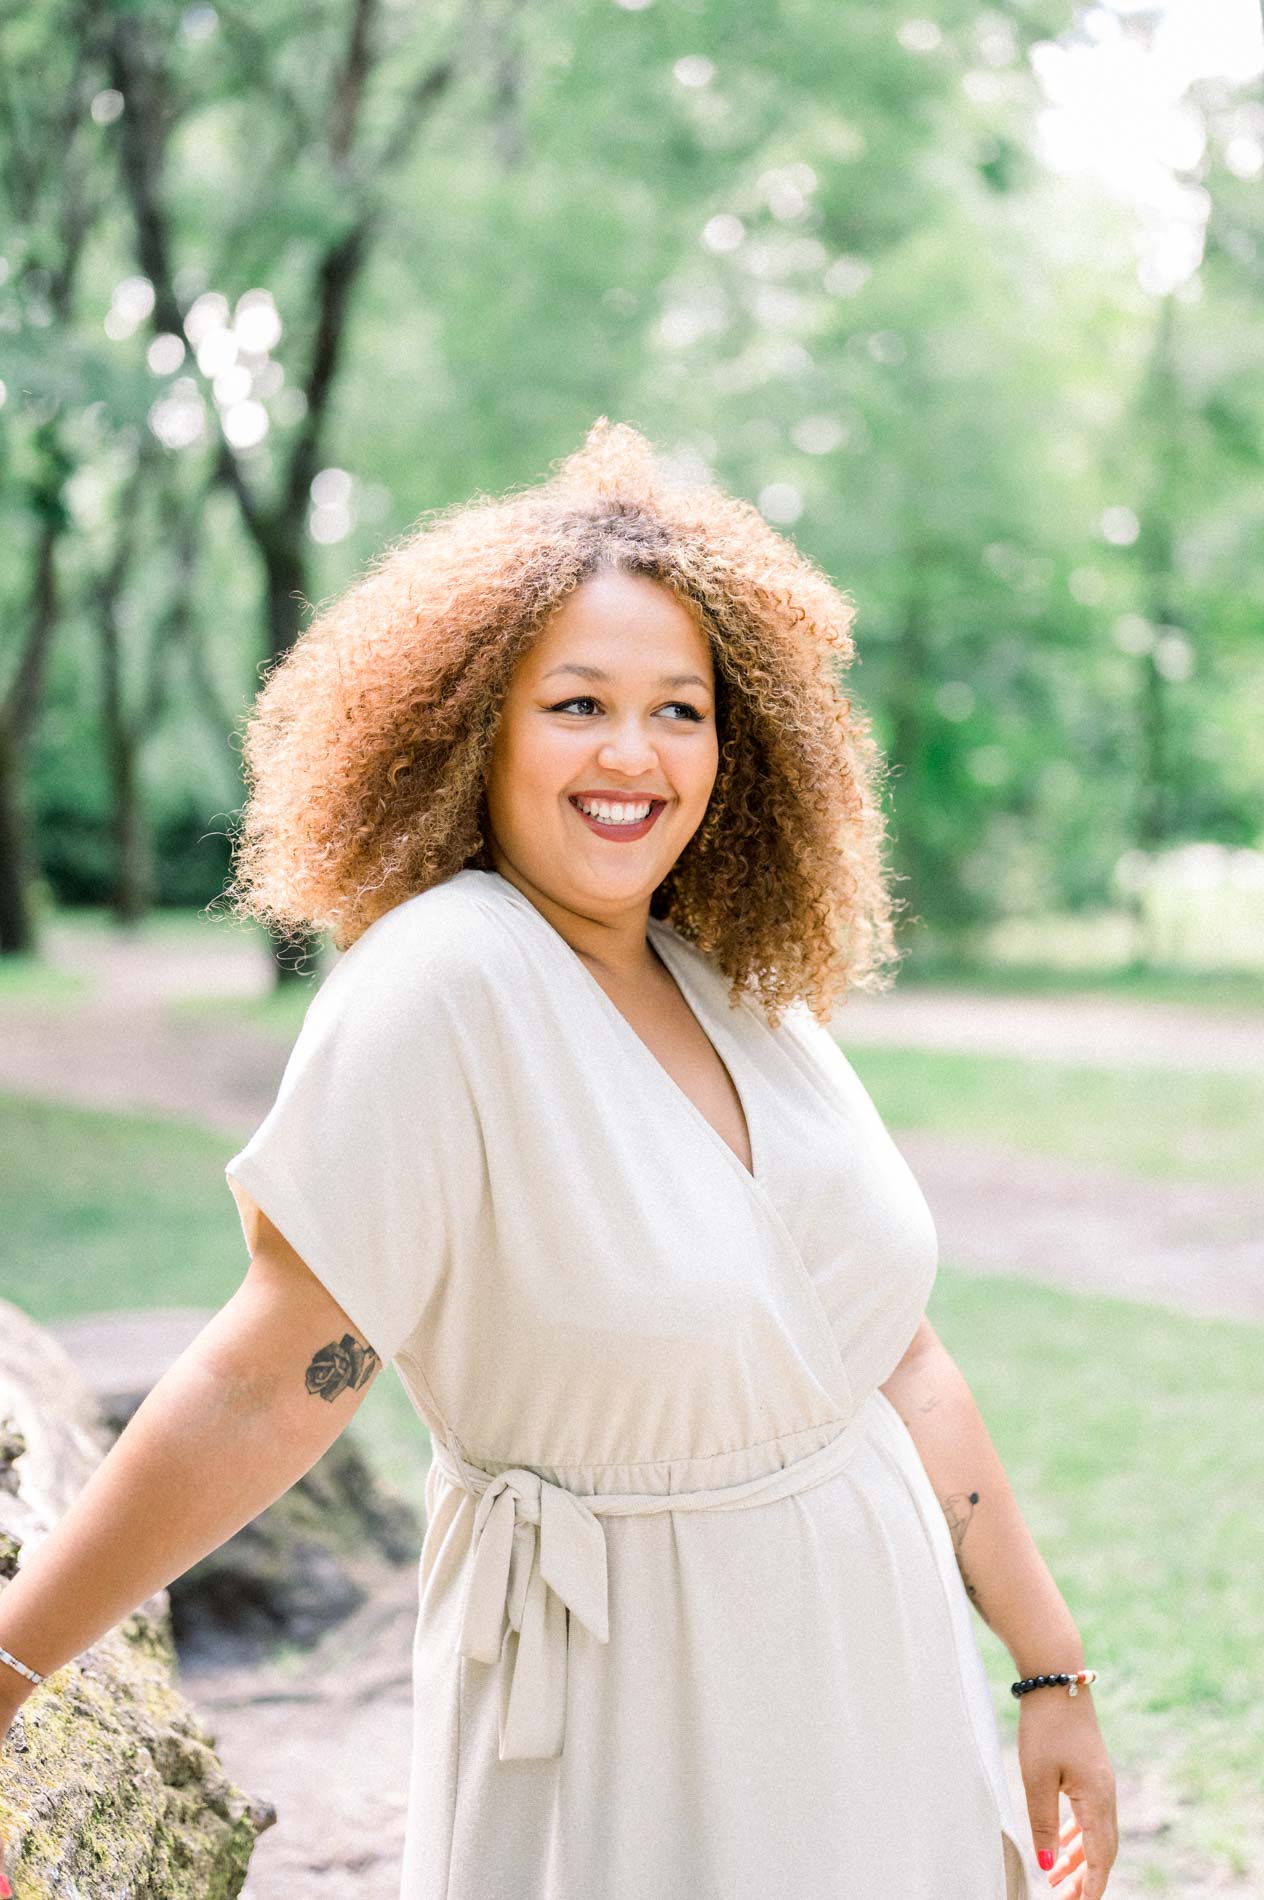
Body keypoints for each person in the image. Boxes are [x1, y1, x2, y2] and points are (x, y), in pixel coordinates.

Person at [0, 419, 1118, 1899]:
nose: (632, 755)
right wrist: (13, 1667)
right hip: (638, 1724)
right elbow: (272, 1377)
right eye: (577, 702)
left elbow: (892, 1358)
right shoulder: (439, 987)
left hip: (880, 1688)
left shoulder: (730, 983)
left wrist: (1051, 1674)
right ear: (474, 727)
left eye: (681, 710)